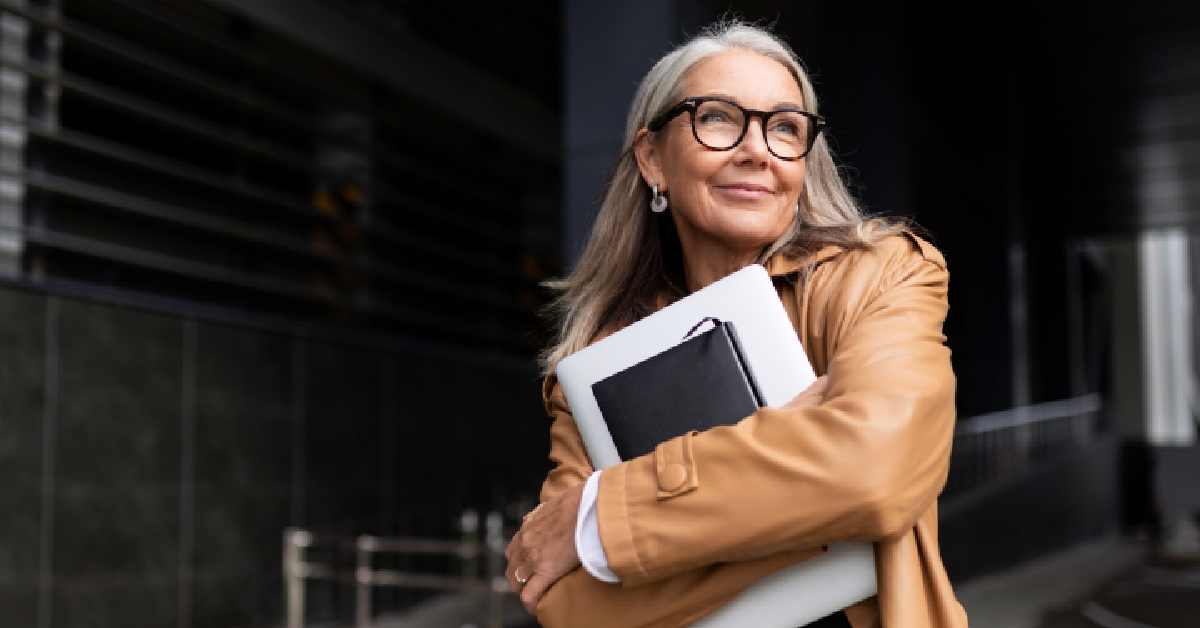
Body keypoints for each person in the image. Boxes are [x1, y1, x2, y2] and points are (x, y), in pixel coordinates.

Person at [505, 20, 968, 628]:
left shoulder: (882, 276)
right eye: (718, 118)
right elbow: (570, 608)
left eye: (784, 127)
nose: (757, 150)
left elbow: (875, 474)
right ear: (652, 158)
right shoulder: (595, 367)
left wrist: (602, 519)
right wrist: (806, 484)